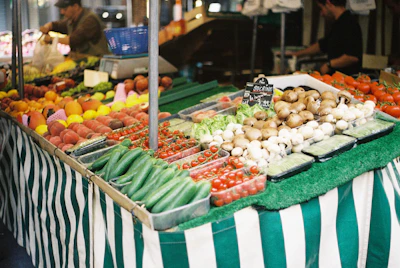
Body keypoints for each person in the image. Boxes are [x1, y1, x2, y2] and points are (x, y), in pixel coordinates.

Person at [293, 0, 362, 75]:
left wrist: (329, 64)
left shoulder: (349, 23)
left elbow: (352, 57)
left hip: (346, 78)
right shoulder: (337, 24)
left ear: (328, 4)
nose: (321, 13)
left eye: (321, 8)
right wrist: (296, 54)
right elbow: (322, 45)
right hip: (333, 77)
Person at [40, 0, 110, 57]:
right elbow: (56, 25)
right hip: (81, 61)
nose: (62, 12)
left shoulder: (90, 20)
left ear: (76, 6)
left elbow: (73, 40)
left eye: (65, 9)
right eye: (60, 9)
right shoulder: (71, 20)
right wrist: (47, 27)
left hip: (95, 63)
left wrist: (50, 39)